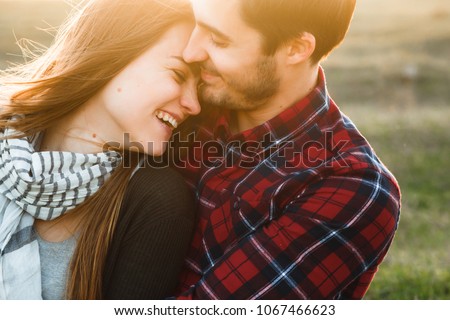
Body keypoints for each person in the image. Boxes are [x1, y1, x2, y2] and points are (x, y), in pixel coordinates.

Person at [171, 0, 401, 299]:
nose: (191, 52)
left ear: (295, 48)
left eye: (218, 40)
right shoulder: (175, 100)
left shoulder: (352, 186)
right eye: (195, 24)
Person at [0, 0, 200, 300]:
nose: (194, 105)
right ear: (114, 52)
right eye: (178, 74)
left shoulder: (156, 200)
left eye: (200, 90)